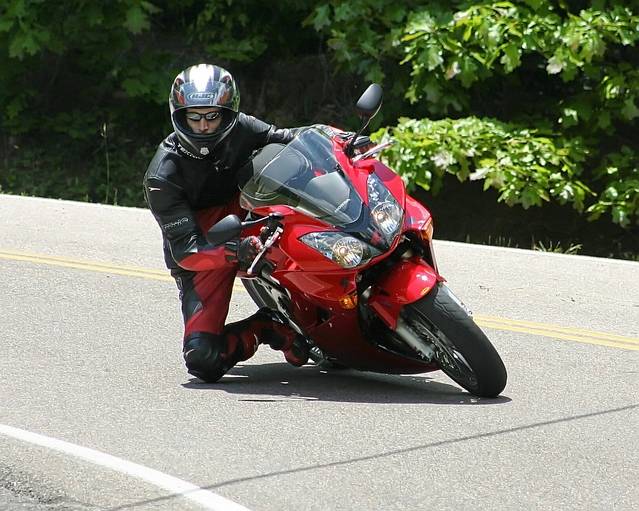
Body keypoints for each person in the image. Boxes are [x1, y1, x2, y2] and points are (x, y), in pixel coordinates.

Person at [143, 63, 308, 383]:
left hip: (254, 213)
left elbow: (291, 138)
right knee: (202, 358)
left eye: (213, 116)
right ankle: (266, 325)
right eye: (194, 117)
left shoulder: (242, 127)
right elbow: (186, 252)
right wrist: (235, 251)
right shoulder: (162, 176)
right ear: (179, 116)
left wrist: (338, 140)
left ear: (228, 114)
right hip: (206, 246)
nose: (204, 126)